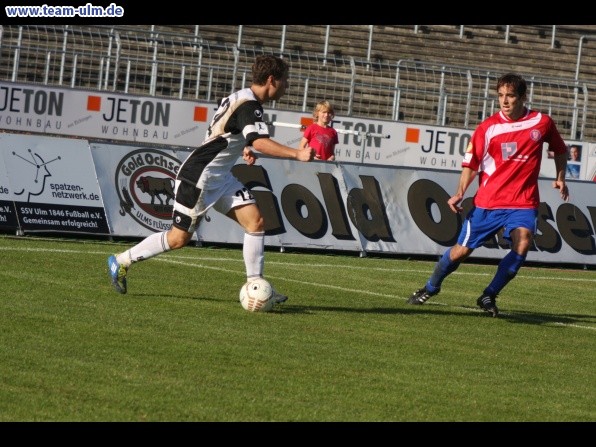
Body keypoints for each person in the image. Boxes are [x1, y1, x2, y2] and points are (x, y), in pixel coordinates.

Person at [108, 55, 315, 304]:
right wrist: (297, 153)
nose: (287, 87)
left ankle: (257, 287)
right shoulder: (251, 106)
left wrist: (241, 148)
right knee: (178, 239)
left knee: (256, 222)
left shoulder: (240, 96)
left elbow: (224, 132)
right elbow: (259, 141)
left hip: (220, 177)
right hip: (200, 178)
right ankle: (121, 261)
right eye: (285, 81)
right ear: (271, 79)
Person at [407, 73, 570, 317]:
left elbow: (559, 149)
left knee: (523, 241)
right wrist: (459, 193)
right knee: (461, 252)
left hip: (523, 202)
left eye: (511, 96)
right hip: (489, 203)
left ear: (523, 97)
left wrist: (560, 177)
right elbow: (471, 164)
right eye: (501, 96)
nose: (505, 101)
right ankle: (431, 287)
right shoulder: (487, 128)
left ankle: (489, 294)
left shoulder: (541, 122)